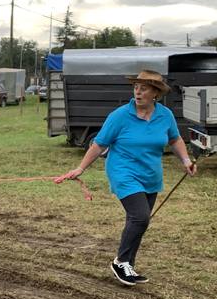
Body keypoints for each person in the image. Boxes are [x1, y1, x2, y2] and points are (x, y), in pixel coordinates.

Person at [54, 69, 196, 286]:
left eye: (144, 88)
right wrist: (80, 168)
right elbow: (99, 144)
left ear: (155, 93)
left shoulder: (165, 115)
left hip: (150, 175)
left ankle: (128, 264)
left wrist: (185, 161)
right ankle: (120, 262)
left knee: (139, 221)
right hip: (123, 172)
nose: (138, 92)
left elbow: (175, 140)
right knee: (140, 217)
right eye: (136, 88)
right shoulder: (120, 116)